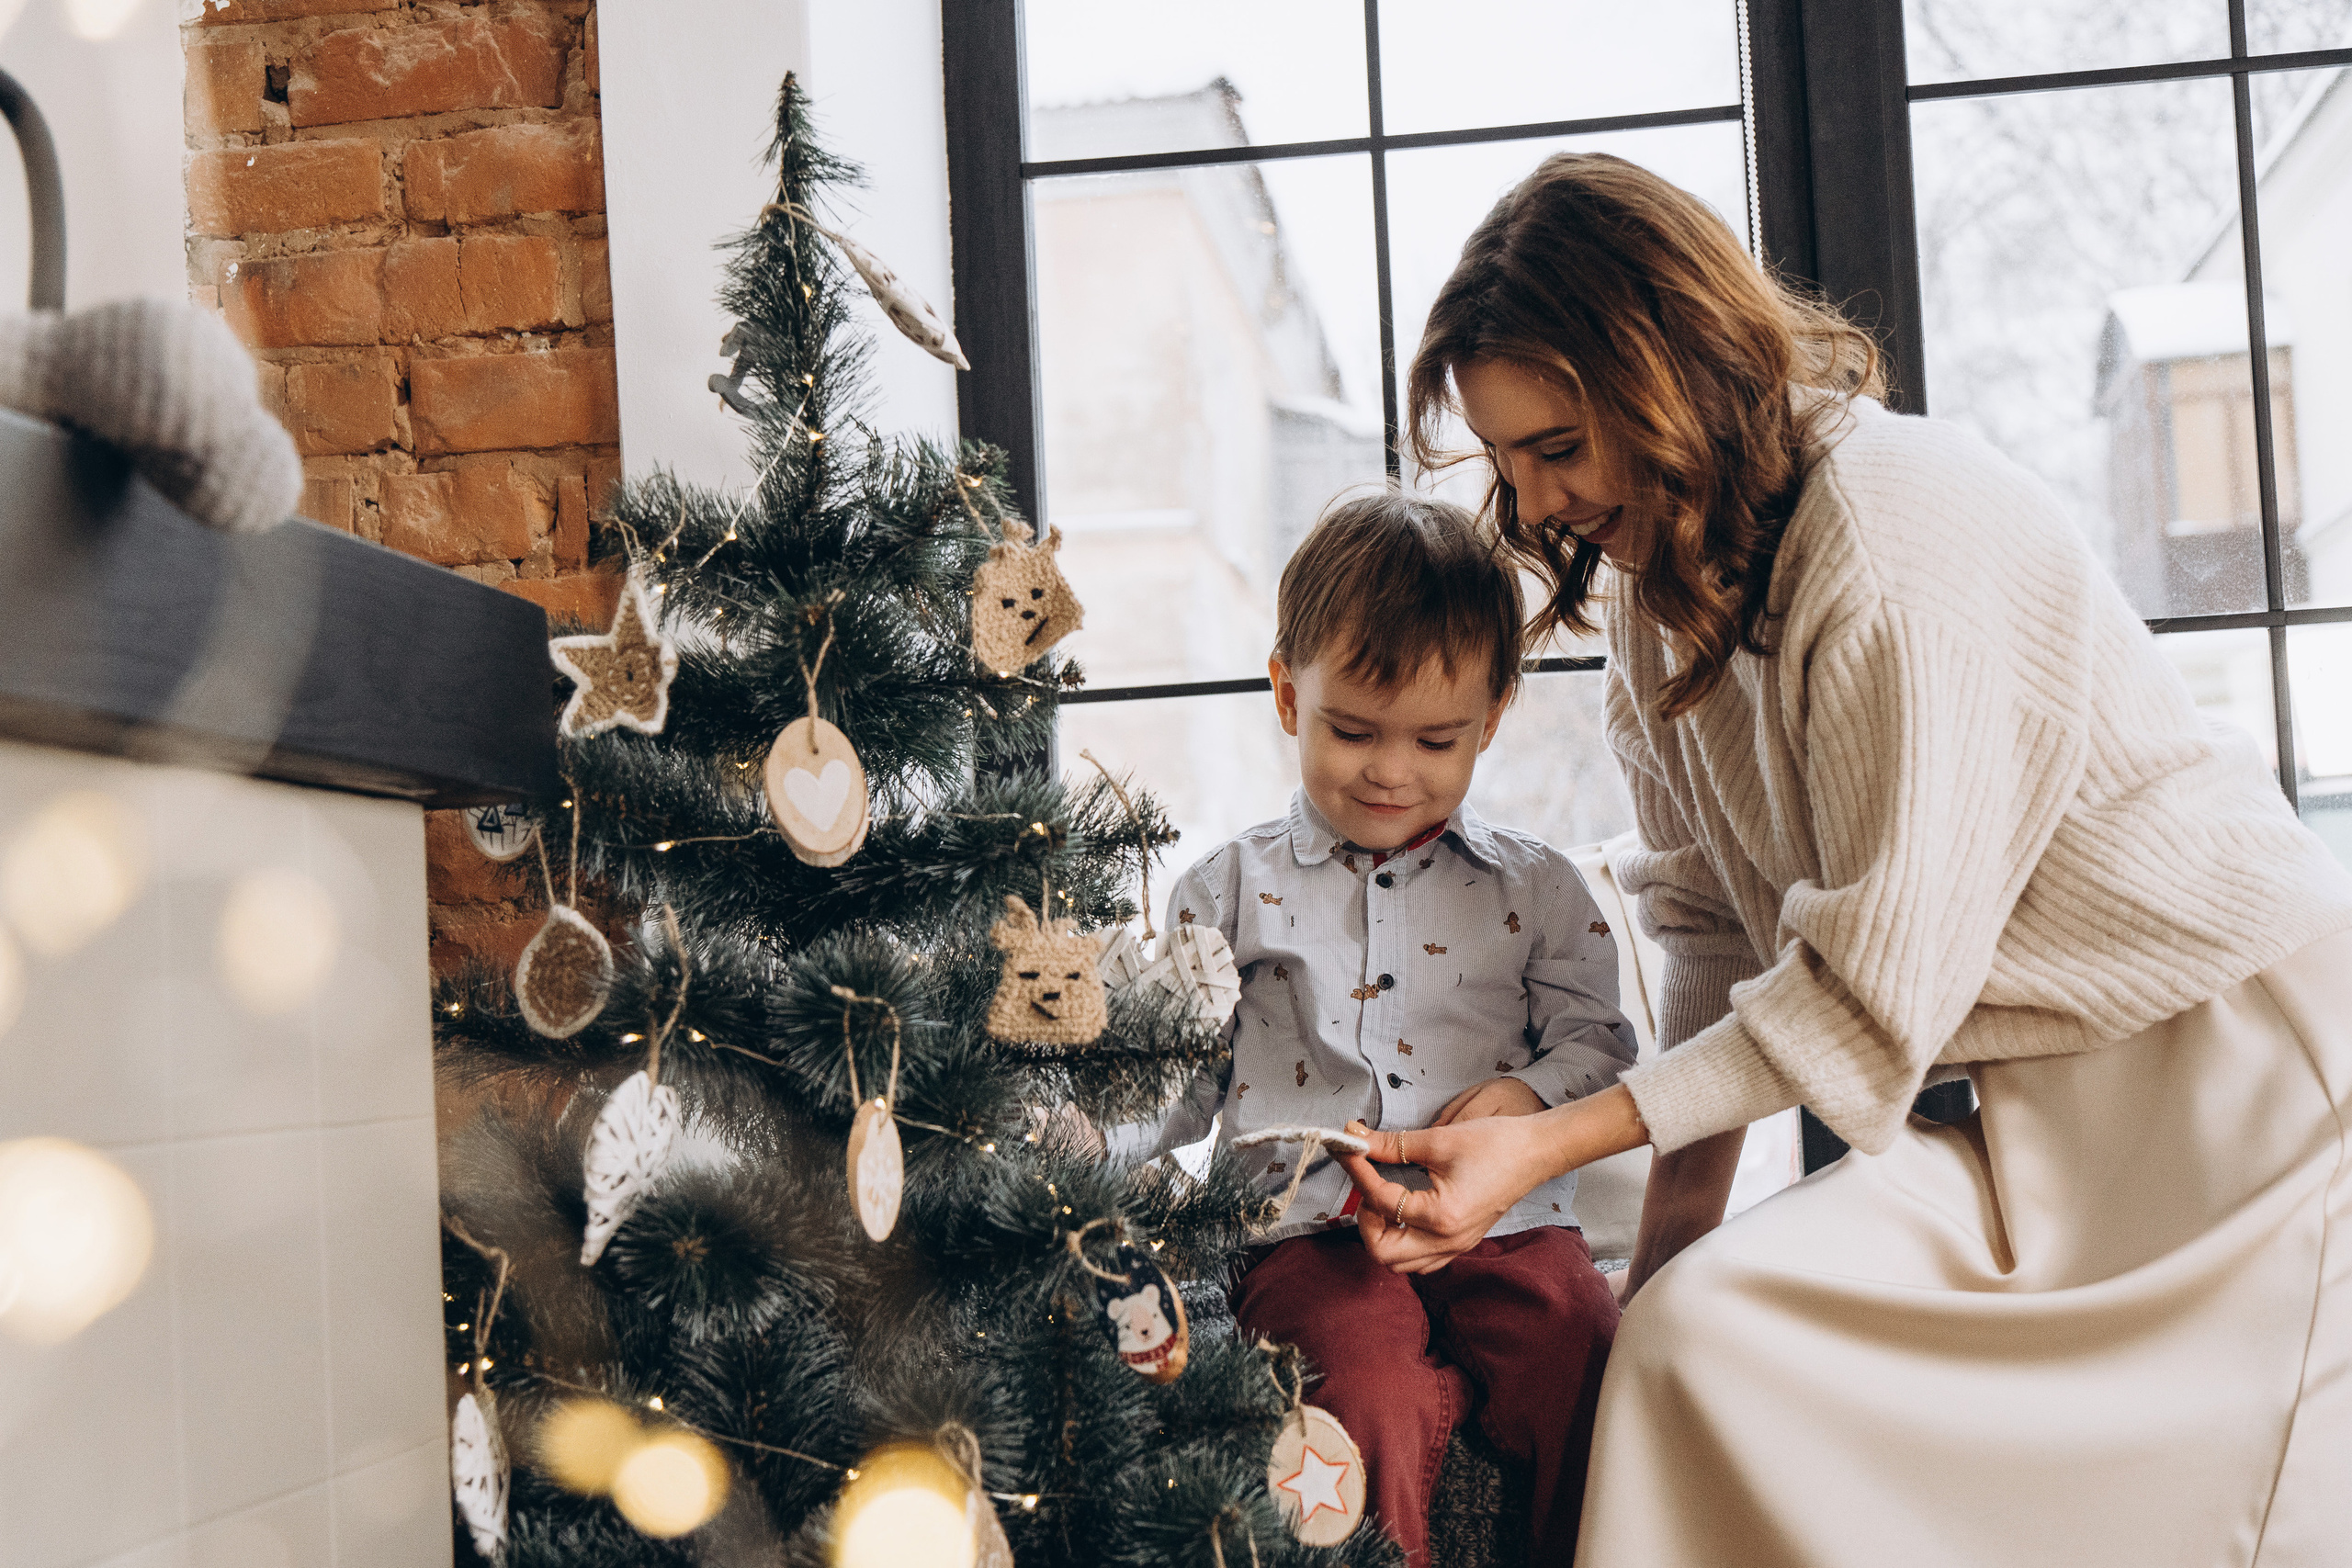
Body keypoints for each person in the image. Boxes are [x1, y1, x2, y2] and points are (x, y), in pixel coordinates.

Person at [1334, 151, 2352, 1567]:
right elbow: (1708, 940)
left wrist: (1545, 1144)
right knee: (1691, 1342)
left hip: (2253, 1101)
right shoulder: (1660, 611)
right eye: (1508, 463)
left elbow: (1864, 1002)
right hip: (2029, 1134)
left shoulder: (1890, 533)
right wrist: (1660, 1267)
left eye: (1558, 446)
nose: (1539, 503)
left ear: (1664, 370)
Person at [1104, 491, 1636, 1566]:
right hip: (1309, 1234)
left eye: (1437, 740)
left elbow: (1602, 1050)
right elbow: (1180, 1073)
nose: (1392, 771)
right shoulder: (1228, 890)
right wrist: (1090, 1152)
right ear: (1286, 695)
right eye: (1353, 731)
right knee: (1359, 1394)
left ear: (1491, 719)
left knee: (1582, 1347)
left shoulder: (1538, 889)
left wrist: (1528, 1100)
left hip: (1510, 1224)